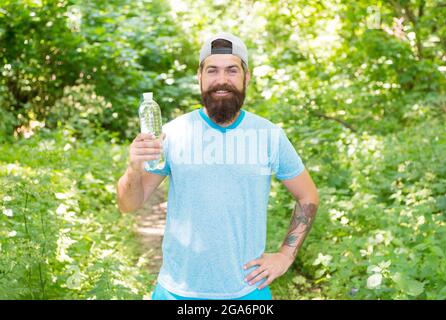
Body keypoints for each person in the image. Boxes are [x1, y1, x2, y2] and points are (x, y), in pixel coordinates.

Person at [116, 32, 320, 300]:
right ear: (199, 78)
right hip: (176, 292)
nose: (221, 79)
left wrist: (285, 255)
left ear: (246, 78)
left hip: (247, 291)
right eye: (212, 70)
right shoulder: (173, 133)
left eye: (231, 70)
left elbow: (308, 196)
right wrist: (133, 167)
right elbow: (129, 204)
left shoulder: (269, 135)